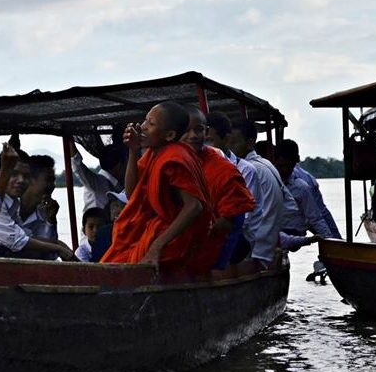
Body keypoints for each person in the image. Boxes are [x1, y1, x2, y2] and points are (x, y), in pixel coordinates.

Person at [100, 102, 214, 270]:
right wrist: (133, 150)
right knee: (114, 260)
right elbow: (132, 193)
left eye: (151, 124)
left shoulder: (175, 157)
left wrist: (156, 247)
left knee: (129, 268)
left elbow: (194, 207)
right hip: (157, 229)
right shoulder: (153, 154)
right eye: (145, 120)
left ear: (169, 135)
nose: (143, 127)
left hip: (180, 236)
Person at [0, 150, 76, 260]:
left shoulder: (14, 202)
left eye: (26, 176)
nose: (21, 180)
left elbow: (26, 236)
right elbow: (16, 241)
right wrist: (57, 247)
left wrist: (57, 242)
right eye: (14, 174)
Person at [181, 107, 255, 269]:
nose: (192, 136)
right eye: (186, 131)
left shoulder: (228, 170)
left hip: (207, 251)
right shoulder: (170, 161)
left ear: (205, 132)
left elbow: (233, 220)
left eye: (198, 130)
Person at [228, 119, 296, 267]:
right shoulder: (266, 163)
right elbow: (291, 205)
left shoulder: (247, 169)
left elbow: (244, 218)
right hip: (268, 245)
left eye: (234, 143)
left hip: (255, 250)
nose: (229, 148)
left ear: (250, 143)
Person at [274, 140, 338, 251]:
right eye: (281, 166)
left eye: (289, 166)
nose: (285, 170)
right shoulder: (268, 180)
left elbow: (317, 217)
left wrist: (331, 241)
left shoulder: (303, 186)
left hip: (295, 229)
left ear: (295, 163)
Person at [17, 155, 61, 259]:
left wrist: (51, 221)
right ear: (30, 179)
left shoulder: (45, 211)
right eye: (48, 180)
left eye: (53, 180)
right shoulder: (8, 205)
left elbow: (50, 256)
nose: (53, 186)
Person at [69, 141, 126, 210]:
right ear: (119, 165)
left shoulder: (118, 185)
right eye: (126, 163)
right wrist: (70, 140)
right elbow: (77, 164)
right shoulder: (96, 182)